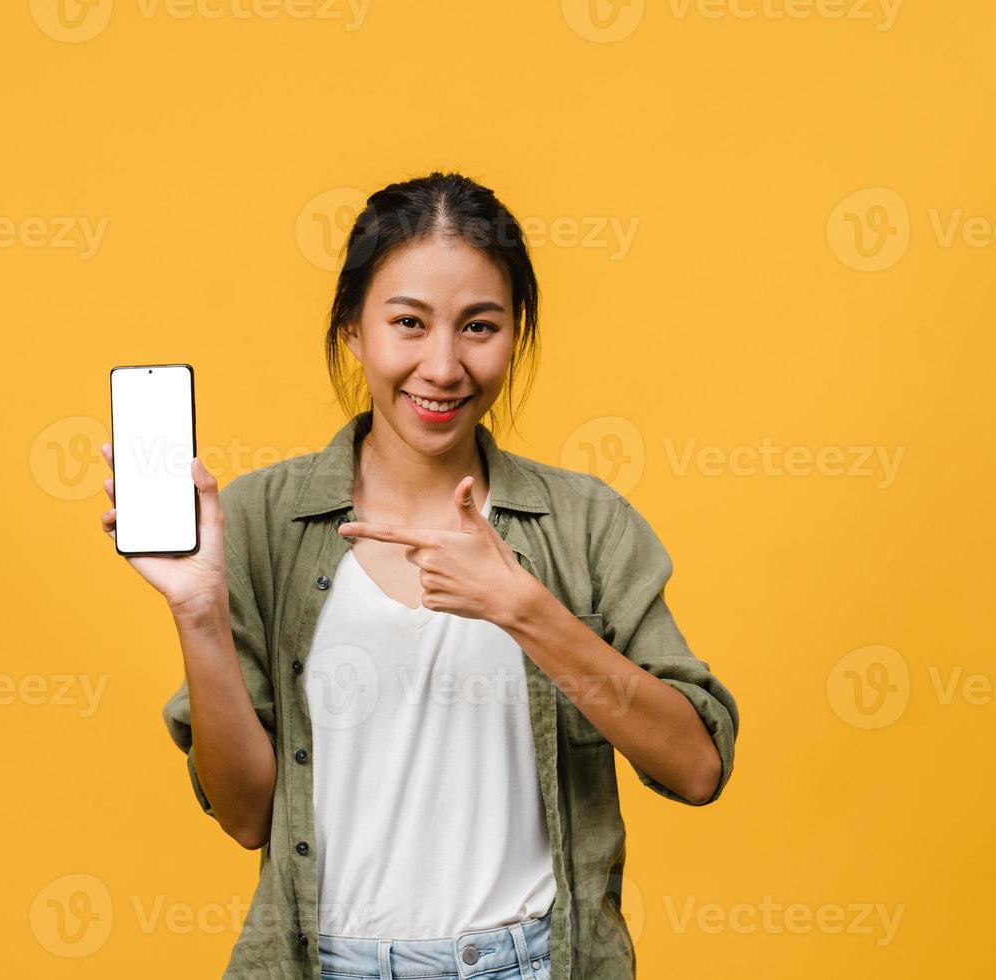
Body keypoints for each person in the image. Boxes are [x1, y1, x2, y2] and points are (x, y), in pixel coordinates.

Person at [99, 171, 740, 980]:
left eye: (480, 327)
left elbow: (696, 768)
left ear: (517, 335)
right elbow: (247, 815)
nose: (443, 366)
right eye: (408, 323)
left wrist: (526, 610)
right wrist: (196, 613)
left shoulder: (585, 523)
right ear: (353, 332)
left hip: (533, 962)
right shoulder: (259, 520)